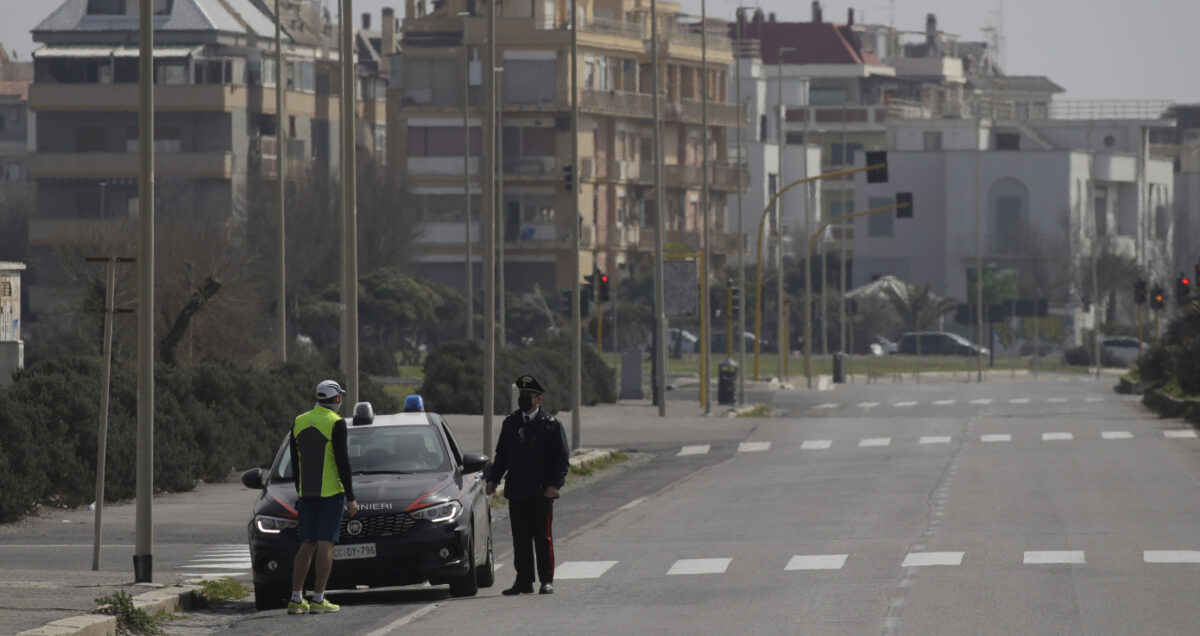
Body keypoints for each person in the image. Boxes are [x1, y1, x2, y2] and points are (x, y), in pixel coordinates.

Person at [485, 375, 570, 595]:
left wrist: (555, 485)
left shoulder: (551, 425)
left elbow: (561, 459)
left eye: (528, 396)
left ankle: (546, 580)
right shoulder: (511, 423)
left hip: (541, 491)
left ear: (538, 399)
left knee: (542, 537)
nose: (523, 399)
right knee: (520, 539)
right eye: (521, 395)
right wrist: (493, 479)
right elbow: (502, 455)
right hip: (517, 490)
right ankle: (523, 580)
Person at [287, 380, 359, 614]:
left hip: (306, 494)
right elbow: (343, 462)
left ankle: (296, 599)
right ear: (336, 399)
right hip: (330, 494)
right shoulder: (336, 423)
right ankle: (318, 598)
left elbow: (295, 464)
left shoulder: (299, 421)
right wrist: (351, 496)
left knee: (306, 544)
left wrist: (300, 490)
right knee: (326, 544)